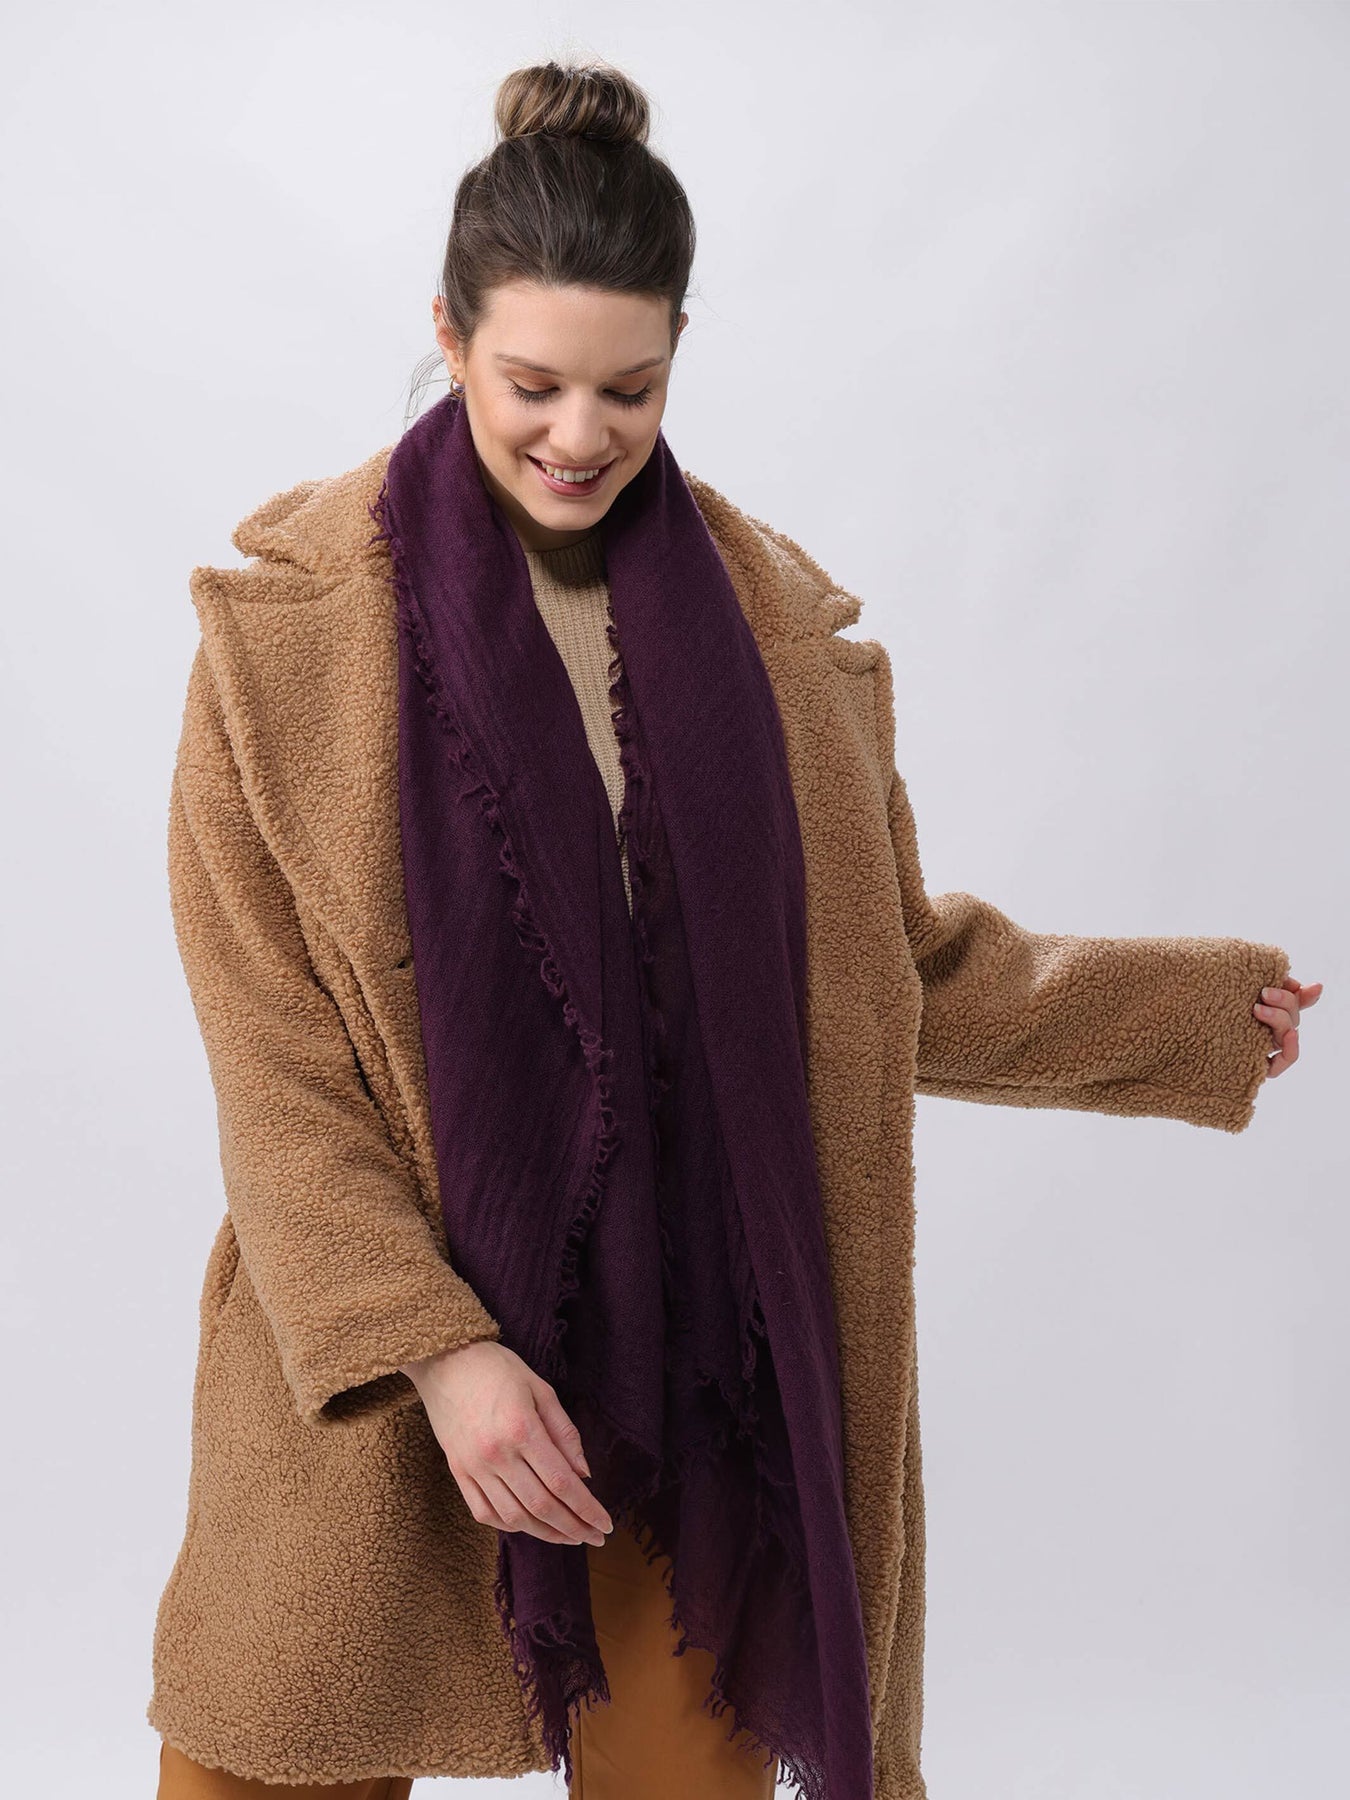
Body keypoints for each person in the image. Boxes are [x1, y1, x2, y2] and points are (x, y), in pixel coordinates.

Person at [147, 57, 1319, 1800]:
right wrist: (441, 1353)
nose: (578, 435)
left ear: (679, 352)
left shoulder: (768, 638)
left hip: (697, 1365)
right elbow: (276, 1061)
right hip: (385, 1364)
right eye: (533, 384)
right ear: (449, 336)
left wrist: (1182, 1016)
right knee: (270, 1754)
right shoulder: (285, 643)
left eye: (628, 388)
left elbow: (873, 977)